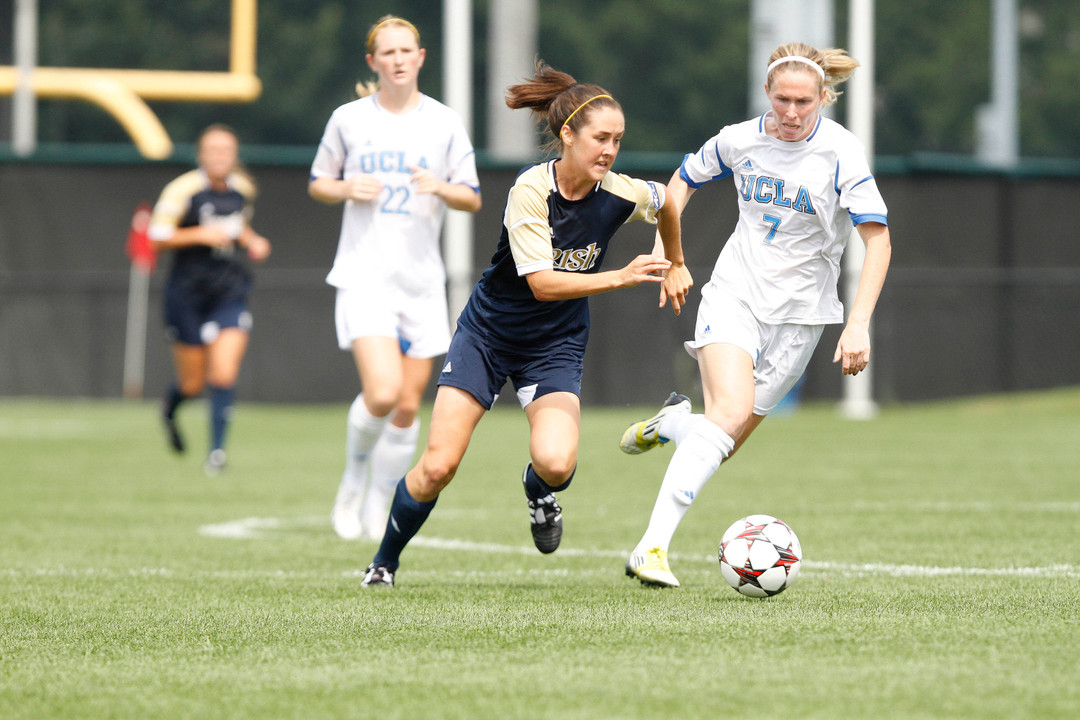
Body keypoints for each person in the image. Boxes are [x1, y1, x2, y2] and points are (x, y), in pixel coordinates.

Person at [357, 61, 694, 587]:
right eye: (600, 138)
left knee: (557, 464)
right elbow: (542, 284)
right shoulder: (531, 190)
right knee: (438, 466)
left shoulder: (620, 192)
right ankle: (384, 562)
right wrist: (621, 277)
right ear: (568, 135)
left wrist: (674, 261)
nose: (609, 150)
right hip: (487, 336)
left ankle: (538, 491)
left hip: (553, 343)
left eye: (617, 140)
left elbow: (669, 202)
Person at [621, 42, 892, 588]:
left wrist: (857, 321)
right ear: (767, 94)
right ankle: (650, 548)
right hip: (734, 294)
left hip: (802, 316)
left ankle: (675, 423)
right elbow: (681, 182)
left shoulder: (840, 152)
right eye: (783, 100)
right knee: (728, 413)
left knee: (723, 439)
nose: (792, 113)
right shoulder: (739, 139)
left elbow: (878, 240)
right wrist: (666, 253)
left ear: (823, 99)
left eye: (804, 103)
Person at [308, 15, 483, 541]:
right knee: (382, 393)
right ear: (373, 62)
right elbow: (319, 181)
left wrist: (441, 187)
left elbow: (471, 196)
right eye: (388, 53)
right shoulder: (348, 119)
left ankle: (381, 499)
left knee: (408, 405)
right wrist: (345, 189)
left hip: (422, 282)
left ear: (421, 57)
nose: (398, 60)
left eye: (407, 50)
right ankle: (353, 480)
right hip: (365, 275)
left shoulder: (444, 122)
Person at [150, 124, 272, 476]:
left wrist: (253, 240)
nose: (219, 156)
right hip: (186, 294)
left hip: (228, 292)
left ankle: (216, 454)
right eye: (212, 150)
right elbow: (156, 235)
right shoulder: (183, 189)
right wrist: (198, 234)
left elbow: (239, 226)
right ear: (201, 155)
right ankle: (169, 409)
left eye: (226, 150)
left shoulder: (242, 190)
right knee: (192, 383)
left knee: (223, 371)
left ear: (234, 156)